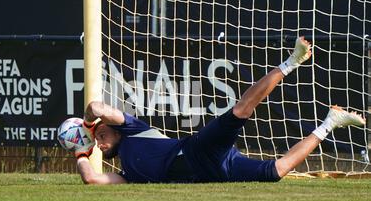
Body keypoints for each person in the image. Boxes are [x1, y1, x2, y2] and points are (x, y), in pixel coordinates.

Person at [74, 37, 366, 184]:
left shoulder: (133, 130)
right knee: (277, 172)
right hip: (218, 172)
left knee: (241, 109)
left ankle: (291, 62)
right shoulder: (127, 174)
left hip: (197, 151)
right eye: (96, 140)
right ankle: (331, 122)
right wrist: (81, 149)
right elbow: (91, 178)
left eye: (100, 133)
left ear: (112, 127)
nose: (99, 141)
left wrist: (88, 123)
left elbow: (95, 107)